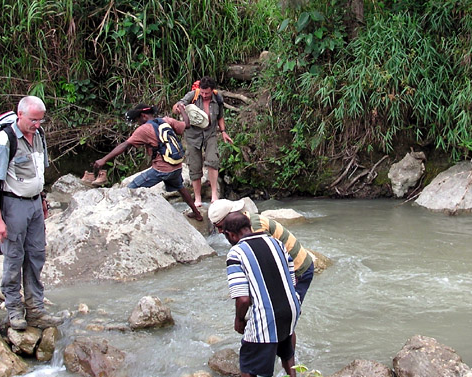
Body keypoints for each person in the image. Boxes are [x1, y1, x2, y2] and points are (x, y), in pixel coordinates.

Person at [0, 95, 61, 331]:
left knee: (36, 255)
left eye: (40, 120)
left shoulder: (39, 136)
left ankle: (36, 309)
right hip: (13, 205)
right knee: (14, 257)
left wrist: (42, 200)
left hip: (34, 205)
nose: (37, 124)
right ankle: (14, 310)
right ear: (20, 115)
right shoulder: (4, 140)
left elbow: (39, 173)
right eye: (32, 120)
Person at [220, 210, 302, 377]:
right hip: (292, 306)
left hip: (268, 314)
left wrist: (239, 320)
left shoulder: (236, 253)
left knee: (247, 363)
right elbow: (293, 280)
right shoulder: (276, 243)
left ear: (230, 234)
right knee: (285, 339)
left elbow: (243, 298)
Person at [90, 104, 203, 221]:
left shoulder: (144, 129)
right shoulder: (166, 121)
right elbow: (187, 124)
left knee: (130, 189)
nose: (138, 122)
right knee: (180, 188)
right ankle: (197, 214)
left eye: (138, 119)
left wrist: (103, 160)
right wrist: (183, 110)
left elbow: (125, 145)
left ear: (143, 116)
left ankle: (122, 219)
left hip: (161, 170)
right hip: (176, 167)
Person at [208, 199, 316, 303]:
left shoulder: (254, 228)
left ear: (231, 216)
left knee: (288, 310)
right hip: (290, 267)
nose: (220, 231)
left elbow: (269, 262)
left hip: (299, 268)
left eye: (221, 226)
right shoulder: (244, 225)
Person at [172, 76, 232, 206]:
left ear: (212, 91)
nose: (204, 95)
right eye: (203, 92)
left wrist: (223, 132)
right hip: (193, 136)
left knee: (212, 161)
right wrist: (179, 107)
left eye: (207, 93)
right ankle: (197, 198)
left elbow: (220, 117)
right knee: (194, 166)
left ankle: (214, 195)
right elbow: (176, 107)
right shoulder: (193, 95)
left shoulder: (217, 98)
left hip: (210, 134)